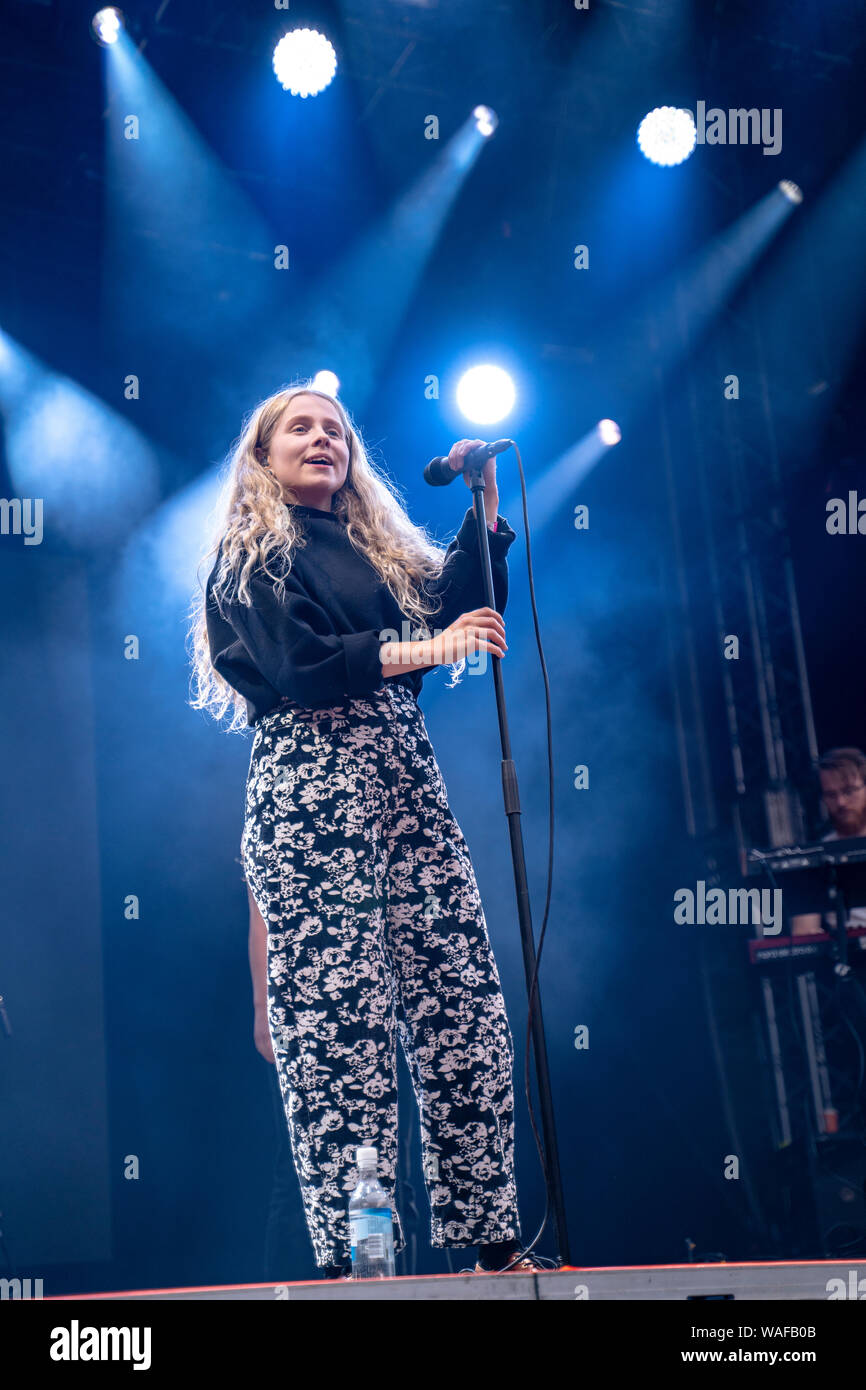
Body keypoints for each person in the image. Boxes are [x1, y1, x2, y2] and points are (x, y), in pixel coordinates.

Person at [188, 382, 546, 1279]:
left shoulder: (372, 546)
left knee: (463, 1003)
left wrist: (484, 497)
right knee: (342, 1039)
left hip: (403, 780)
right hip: (313, 789)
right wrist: (434, 649)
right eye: (300, 428)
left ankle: (493, 1246)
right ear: (263, 455)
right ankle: (367, 1264)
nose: (323, 438)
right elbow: (305, 669)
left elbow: (457, 597)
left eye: (336, 429)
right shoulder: (250, 553)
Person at [790, 747, 866, 936]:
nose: (840, 802)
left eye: (849, 791)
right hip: (848, 959)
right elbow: (803, 931)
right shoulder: (817, 856)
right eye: (831, 795)